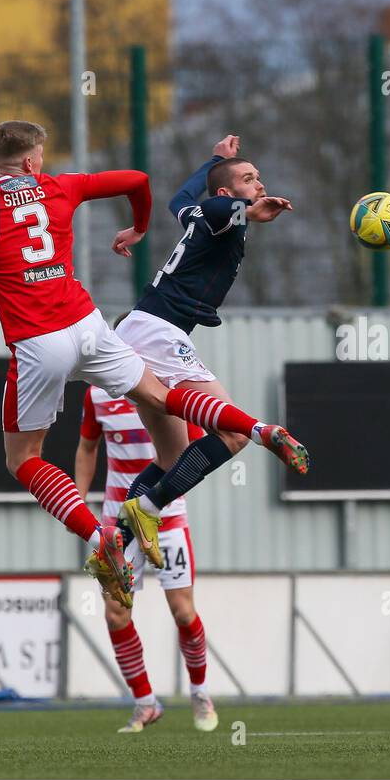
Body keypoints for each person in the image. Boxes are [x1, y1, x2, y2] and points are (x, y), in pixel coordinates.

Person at [0, 120, 301, 609]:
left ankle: (101, 539)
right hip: (90, 326)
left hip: (38, 342)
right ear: (31, 161)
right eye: (40, 155)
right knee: (165, 398)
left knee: (23, 459)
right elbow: (137, 182)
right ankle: (254, 430)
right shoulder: (60, 187)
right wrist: (140, 227)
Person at [110, 134, 308, 565]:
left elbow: (178, 199)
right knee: (233, 435)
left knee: (171, 459)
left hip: (142, 329)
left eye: (259, 178)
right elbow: (222, 207)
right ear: (226, 193)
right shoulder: (223, 213)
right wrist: (249, 209)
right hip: (159, 333)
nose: (259, 183)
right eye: (248, 178)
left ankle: (115, 546)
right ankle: (149, 508)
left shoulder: (202, 213)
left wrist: (216, 160)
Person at [76, 353, 216, 733]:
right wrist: (79, 506)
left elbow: (196, 452)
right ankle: (144, 703)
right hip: (116, 525)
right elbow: (87, 449)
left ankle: (200, 692)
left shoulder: (168, 392)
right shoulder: (96, 395)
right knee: (116, 614)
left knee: (183, 612)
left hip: (166, 520)